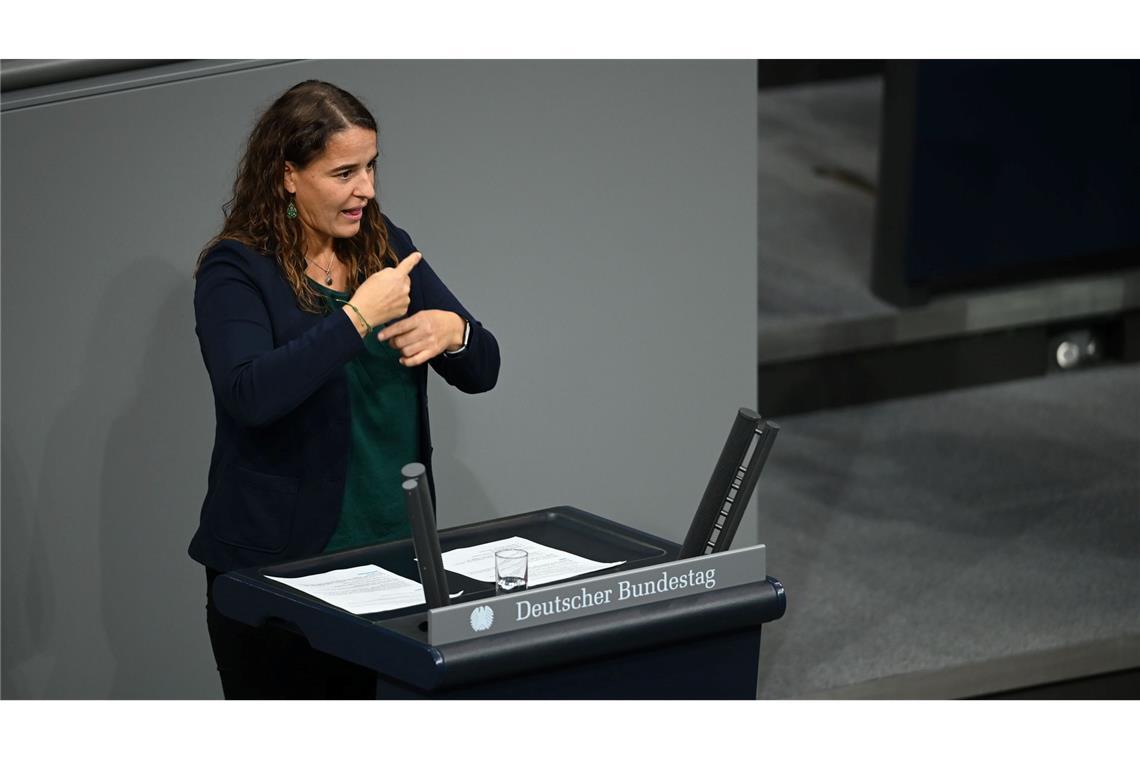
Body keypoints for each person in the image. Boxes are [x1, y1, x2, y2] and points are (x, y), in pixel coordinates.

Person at [188, 80, 500, 698]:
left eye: (372, 166)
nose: (368, 189)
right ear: (288, 176)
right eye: (344, 172)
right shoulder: (235, 269)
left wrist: (454, 330)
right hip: (279, 569)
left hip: (398, 561)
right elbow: (250, 394)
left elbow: (482, 369)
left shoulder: (387, 246)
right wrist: (357, 318)